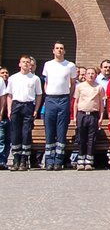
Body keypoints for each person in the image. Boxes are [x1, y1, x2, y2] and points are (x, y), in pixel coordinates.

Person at [41, 41, 78, 169]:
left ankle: (58, 160)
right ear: (53, 50)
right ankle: (49, 160)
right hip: (50, 99)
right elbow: (46, 81)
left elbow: (73, 83)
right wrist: (47, 94)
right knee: (49, 129)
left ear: (65, 51)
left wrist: (68, 97)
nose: (59, 50)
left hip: (63, 99)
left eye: (62, 48)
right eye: (57, 48)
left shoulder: (70, 65)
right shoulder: (48, 65)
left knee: (62, 130)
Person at [8, 55, 42, 171]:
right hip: (16, 105)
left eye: (28, 62)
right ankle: (16, 159)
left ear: (31, 65)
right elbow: (9, 95)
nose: (26, 64)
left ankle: (24, 160)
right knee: (15, 132)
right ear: (19, 64)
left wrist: (36, 109)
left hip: (28, 106)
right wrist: (9, 109)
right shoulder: (13, 78)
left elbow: (39, 95)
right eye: (24, 62)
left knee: (26, 133)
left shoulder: (35, 78)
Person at [73, 66, 105, 169]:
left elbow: (101, 104)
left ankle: (89, 162)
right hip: (81, 114)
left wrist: (100, 118)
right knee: (81, 138)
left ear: (96, 75)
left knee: (91, 139)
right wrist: (74, 117)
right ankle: (80, 160)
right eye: (89, 73)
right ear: (85, 75)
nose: (91, 75)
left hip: (93, 115)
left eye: (93, 74)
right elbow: (76, 102)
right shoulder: (80, 87)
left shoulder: (99, 87)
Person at [0, 67, 9, 169]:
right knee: (1, 140)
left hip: (9, 117)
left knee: (8, 140)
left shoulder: (10, 84)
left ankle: (4, 160)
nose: (5, 74)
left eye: (6, 73)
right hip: (2, 118)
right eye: (2, 73)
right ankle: (1, 161)